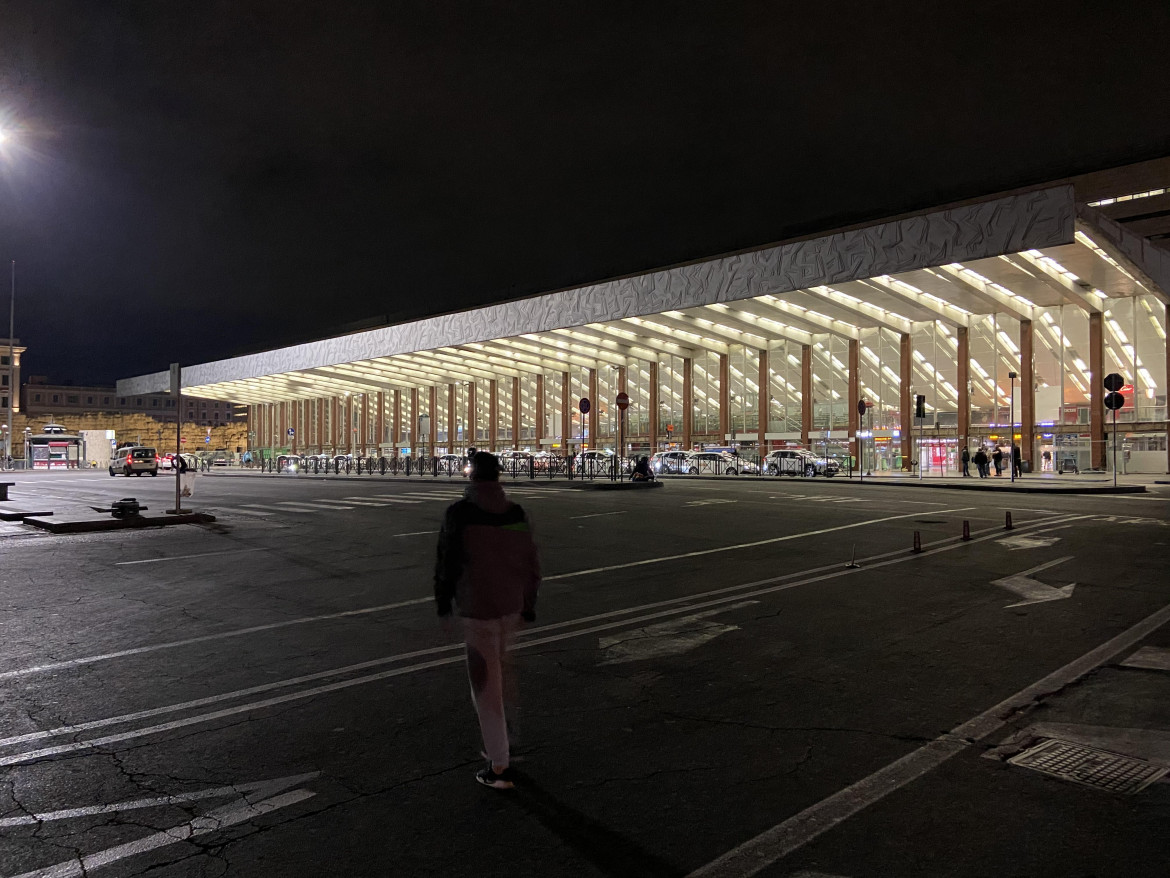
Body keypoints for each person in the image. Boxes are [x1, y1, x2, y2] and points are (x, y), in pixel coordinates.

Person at [435, 451, 541, 790]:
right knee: (501, 676)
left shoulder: (460, 513)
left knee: (485, 689)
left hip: (478, 609)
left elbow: (447, 560)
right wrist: (528, 603)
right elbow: (531, 562)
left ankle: (499, 766)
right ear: (498, 476)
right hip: (510, 607)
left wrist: (443, 603)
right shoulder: (515, 512)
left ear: (472, 476)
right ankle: (507, 743)